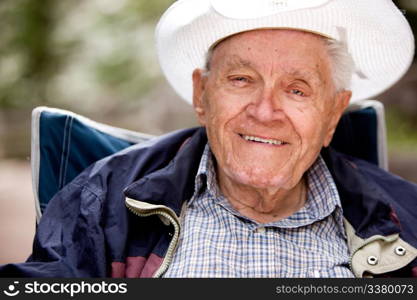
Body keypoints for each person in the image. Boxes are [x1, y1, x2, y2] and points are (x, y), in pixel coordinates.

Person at [1, 0, 417, 278]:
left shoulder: (407, 218)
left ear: (332, 115)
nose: (265, 111)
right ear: (202, 95)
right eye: (241, 79)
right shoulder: (101, 196)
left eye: (297, 90)